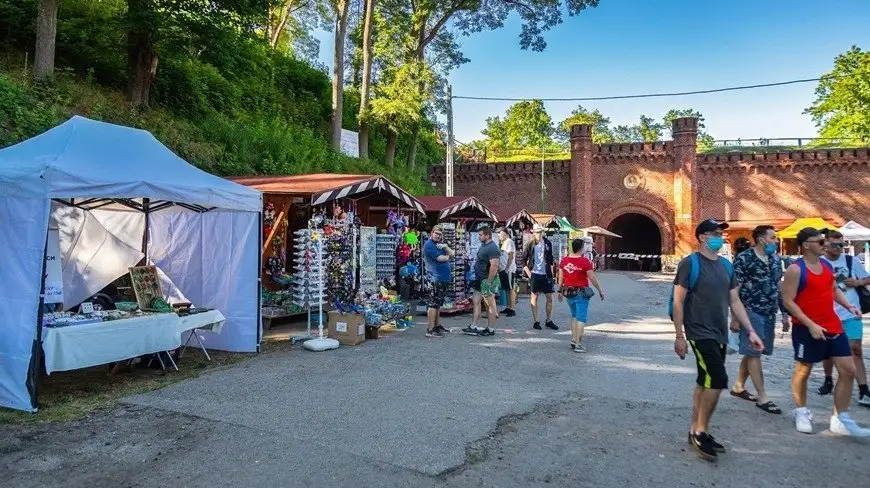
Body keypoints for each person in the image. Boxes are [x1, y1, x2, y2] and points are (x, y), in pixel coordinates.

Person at [672, 218, 762, 462]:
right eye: (714, 233)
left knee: (705, 379)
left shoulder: (726, 265)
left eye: (721, 233)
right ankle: (701, 431)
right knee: (718, 378)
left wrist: (750, 330)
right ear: (701, 237)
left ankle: (696, 429)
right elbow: (678, 301)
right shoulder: (689, 263)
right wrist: (679, 335)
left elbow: (735, 301)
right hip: (698, 331)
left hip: (719, 330)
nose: (720, 237)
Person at [782, 227, 870, 436]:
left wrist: (849, 306)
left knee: (848, 370)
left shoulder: (826, 266)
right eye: (820, 242)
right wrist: (810, 324)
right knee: (803, 371)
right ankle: (801, 410)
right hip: (806, 327)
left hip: (833, 325)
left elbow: (833, 290)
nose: (826, 245)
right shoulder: (795, 269)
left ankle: (840, 418)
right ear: (806, 245)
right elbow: (788, 301)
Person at [729, 225, 790, 414]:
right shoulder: (744, 259)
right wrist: (735, 318)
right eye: (773, 238)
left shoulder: (774, 259)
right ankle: (762, 396)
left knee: (753, 352)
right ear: (761, 239)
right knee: (754, 353)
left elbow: (777, 286)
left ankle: (739, 386)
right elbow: (734, 290)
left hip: (769, 311)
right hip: (750, 311)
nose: (776, 241)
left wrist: (785, 313)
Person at [817, 230, 870, 406]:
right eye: (834, 245)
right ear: (825, 245)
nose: (839, 248)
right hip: (827, 313)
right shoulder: (819, 263)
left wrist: (858, 282)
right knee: (828, 351)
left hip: (851, 311)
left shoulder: (850, 260)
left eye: (841, 245)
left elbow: (867, 278)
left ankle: (863, 389)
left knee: (856, 349)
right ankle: (828, 379)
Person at [557, 238, 604, 353]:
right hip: (581, 293)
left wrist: (559, 291)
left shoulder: (564, 260)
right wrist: (600, 290)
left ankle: (574, 339)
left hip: (568, 292)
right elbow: (592, 277)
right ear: (582, 248)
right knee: (581, 318)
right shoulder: (584, 262)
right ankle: (578, 344)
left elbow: (560, 277)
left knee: (574, 316)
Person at [463, 226, 500, 337]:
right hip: (479, 279)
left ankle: (491, 328)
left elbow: (494, 266)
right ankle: (474, 326)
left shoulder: (492, 247)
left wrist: (488, 282)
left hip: (486, 280)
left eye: (480, 235)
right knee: (476, 301)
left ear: (487, 235)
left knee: (490, 305)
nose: (479, 237)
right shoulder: (485, 245)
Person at [523, 224, 558, 331]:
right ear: (533, 232)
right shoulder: (530, 244)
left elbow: (551, 259)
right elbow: (523, 260)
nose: (539, 234)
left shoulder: (547, 243)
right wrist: (529, 273)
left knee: (550, 298)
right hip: (535, 273)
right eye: (537, 232)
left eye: (540, 232)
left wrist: (552, 274)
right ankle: (536, 321)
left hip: (546, 274)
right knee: (534, 297)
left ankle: (549, 320)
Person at [422, 225, 454, 338]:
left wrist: (445, 247)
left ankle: (436, 326)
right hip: (435, 278)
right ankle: (430, 329)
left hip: (443, 278)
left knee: (438, 304)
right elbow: (441, 258)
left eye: (440, 234)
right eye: (436, 233)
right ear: (432, 233)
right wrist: (448, 255)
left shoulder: (439, 244)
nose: (438, 236)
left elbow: (452, 253)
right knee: (433, 304)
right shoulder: (429, 245)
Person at [497, 227, 517, 317]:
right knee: (506, 289)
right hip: (503, 269)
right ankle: (508, 307)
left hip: (508, 270)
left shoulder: (509, 242)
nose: (499, 235)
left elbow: (510, 256)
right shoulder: (504, 243)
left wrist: (507, 268)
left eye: (500, 233)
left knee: (510, 289)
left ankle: (512, 309)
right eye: (498, 234)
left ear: (505, 233)